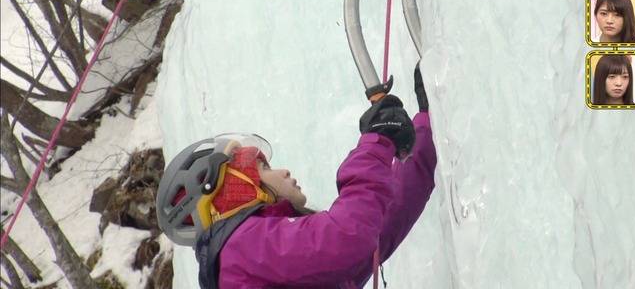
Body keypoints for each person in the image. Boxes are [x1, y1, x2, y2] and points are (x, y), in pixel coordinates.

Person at [156, 63, 437, 288]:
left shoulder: (256, 263)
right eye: (263, 168)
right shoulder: (242, 250)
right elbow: (347, 238)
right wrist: (376, 143)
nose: (283, 171)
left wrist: (427, 121)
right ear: (235, 191)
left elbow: (382, 222)